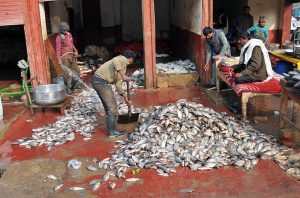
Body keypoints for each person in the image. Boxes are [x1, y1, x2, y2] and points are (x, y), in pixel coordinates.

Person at [92, 50, 136, 138]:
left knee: (109, 107)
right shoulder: (121, 58)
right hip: (100, 81)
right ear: (131, 59)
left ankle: (112, 128)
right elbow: (115, 61)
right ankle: (112, 132)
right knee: (112, 107)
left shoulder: (123, 68)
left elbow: (118, 85)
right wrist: (124, 76)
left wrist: (126, 99)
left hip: (99, 82)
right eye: (133, 60)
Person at [56, 21, 80, 95]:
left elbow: (71, 44)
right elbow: (58, 49)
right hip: (65, 58)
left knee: (77, 71)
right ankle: (68, 88)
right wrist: (59, 59)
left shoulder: (69, 34)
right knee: (67, 74)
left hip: (71, 56)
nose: (66, 31)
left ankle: (75, 85)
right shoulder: (59, 38)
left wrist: (75, 50)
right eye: (64, 30)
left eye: (67, 30)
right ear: (61, 30)